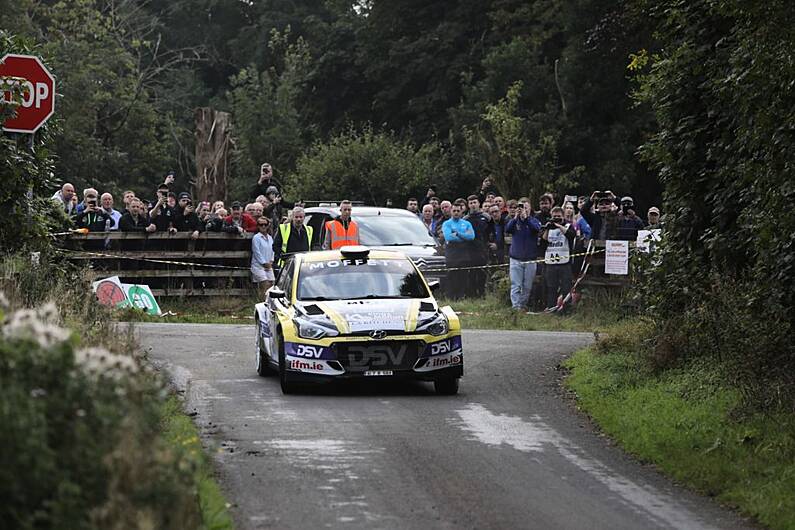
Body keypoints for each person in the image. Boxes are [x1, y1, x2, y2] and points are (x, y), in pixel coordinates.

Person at [505, 198, 542, 310]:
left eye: (526, 207)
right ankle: (516, 307)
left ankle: (523, 305)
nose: (523, 210)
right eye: (521, 207)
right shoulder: (514, 221)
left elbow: (536, 229)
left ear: (530, 208)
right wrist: (516, 217)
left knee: (527, 286)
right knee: (516, 285)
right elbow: (508, 229)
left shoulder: (534, 221)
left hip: (530, 258)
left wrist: (526, 218)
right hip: (516, 258)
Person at [540, 206, 576, 311]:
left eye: (559, 217)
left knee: (566, 287)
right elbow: (543, 242)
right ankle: (551, 308)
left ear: (563, 216)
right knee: (551, 287)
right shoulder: (549, 228)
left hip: (564, 262)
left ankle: (566, 309)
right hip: (550, 262)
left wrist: (559, 225)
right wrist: (548, 228)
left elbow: (571, 235)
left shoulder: (568, 226)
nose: (556, 218)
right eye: (554, 217)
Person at [441, 201, 476, 300]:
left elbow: (471, 237)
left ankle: (461, 296)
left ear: (462, 212)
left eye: (458, 211)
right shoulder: (447, 223)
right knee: (452, 276)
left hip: (464, 254)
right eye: (454, 210)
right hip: (452, 254)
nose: (456, 212)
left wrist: (458, 233)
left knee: (463, 276)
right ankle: (451, 297)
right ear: (451, 211)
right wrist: (463, 236)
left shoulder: (466, 223)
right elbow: (449, 237)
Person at [464, 194, 492, 297]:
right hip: (470, 250)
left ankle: (482, 293)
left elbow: (491, 232)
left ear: (479, 203)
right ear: (468, 205)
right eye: (471, 203)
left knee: (482, 273)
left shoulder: (486, 217)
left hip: (482, 249)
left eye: (475, 202)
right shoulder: (466, 219)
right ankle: (472, 294)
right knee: (471, 273)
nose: (473, 205)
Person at [251, 216, 276, 297]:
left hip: (269, 265)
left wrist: (271, 261)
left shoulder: (270, 238)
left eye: (265, 224)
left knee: (272, 285)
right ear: (258, 226)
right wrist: (264, 263)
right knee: (264, 284)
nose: (263, 226)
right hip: (258, 266)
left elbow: (273, 250)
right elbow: (256, 252)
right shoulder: (256, 238)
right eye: (261, 224)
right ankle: (262, 302)